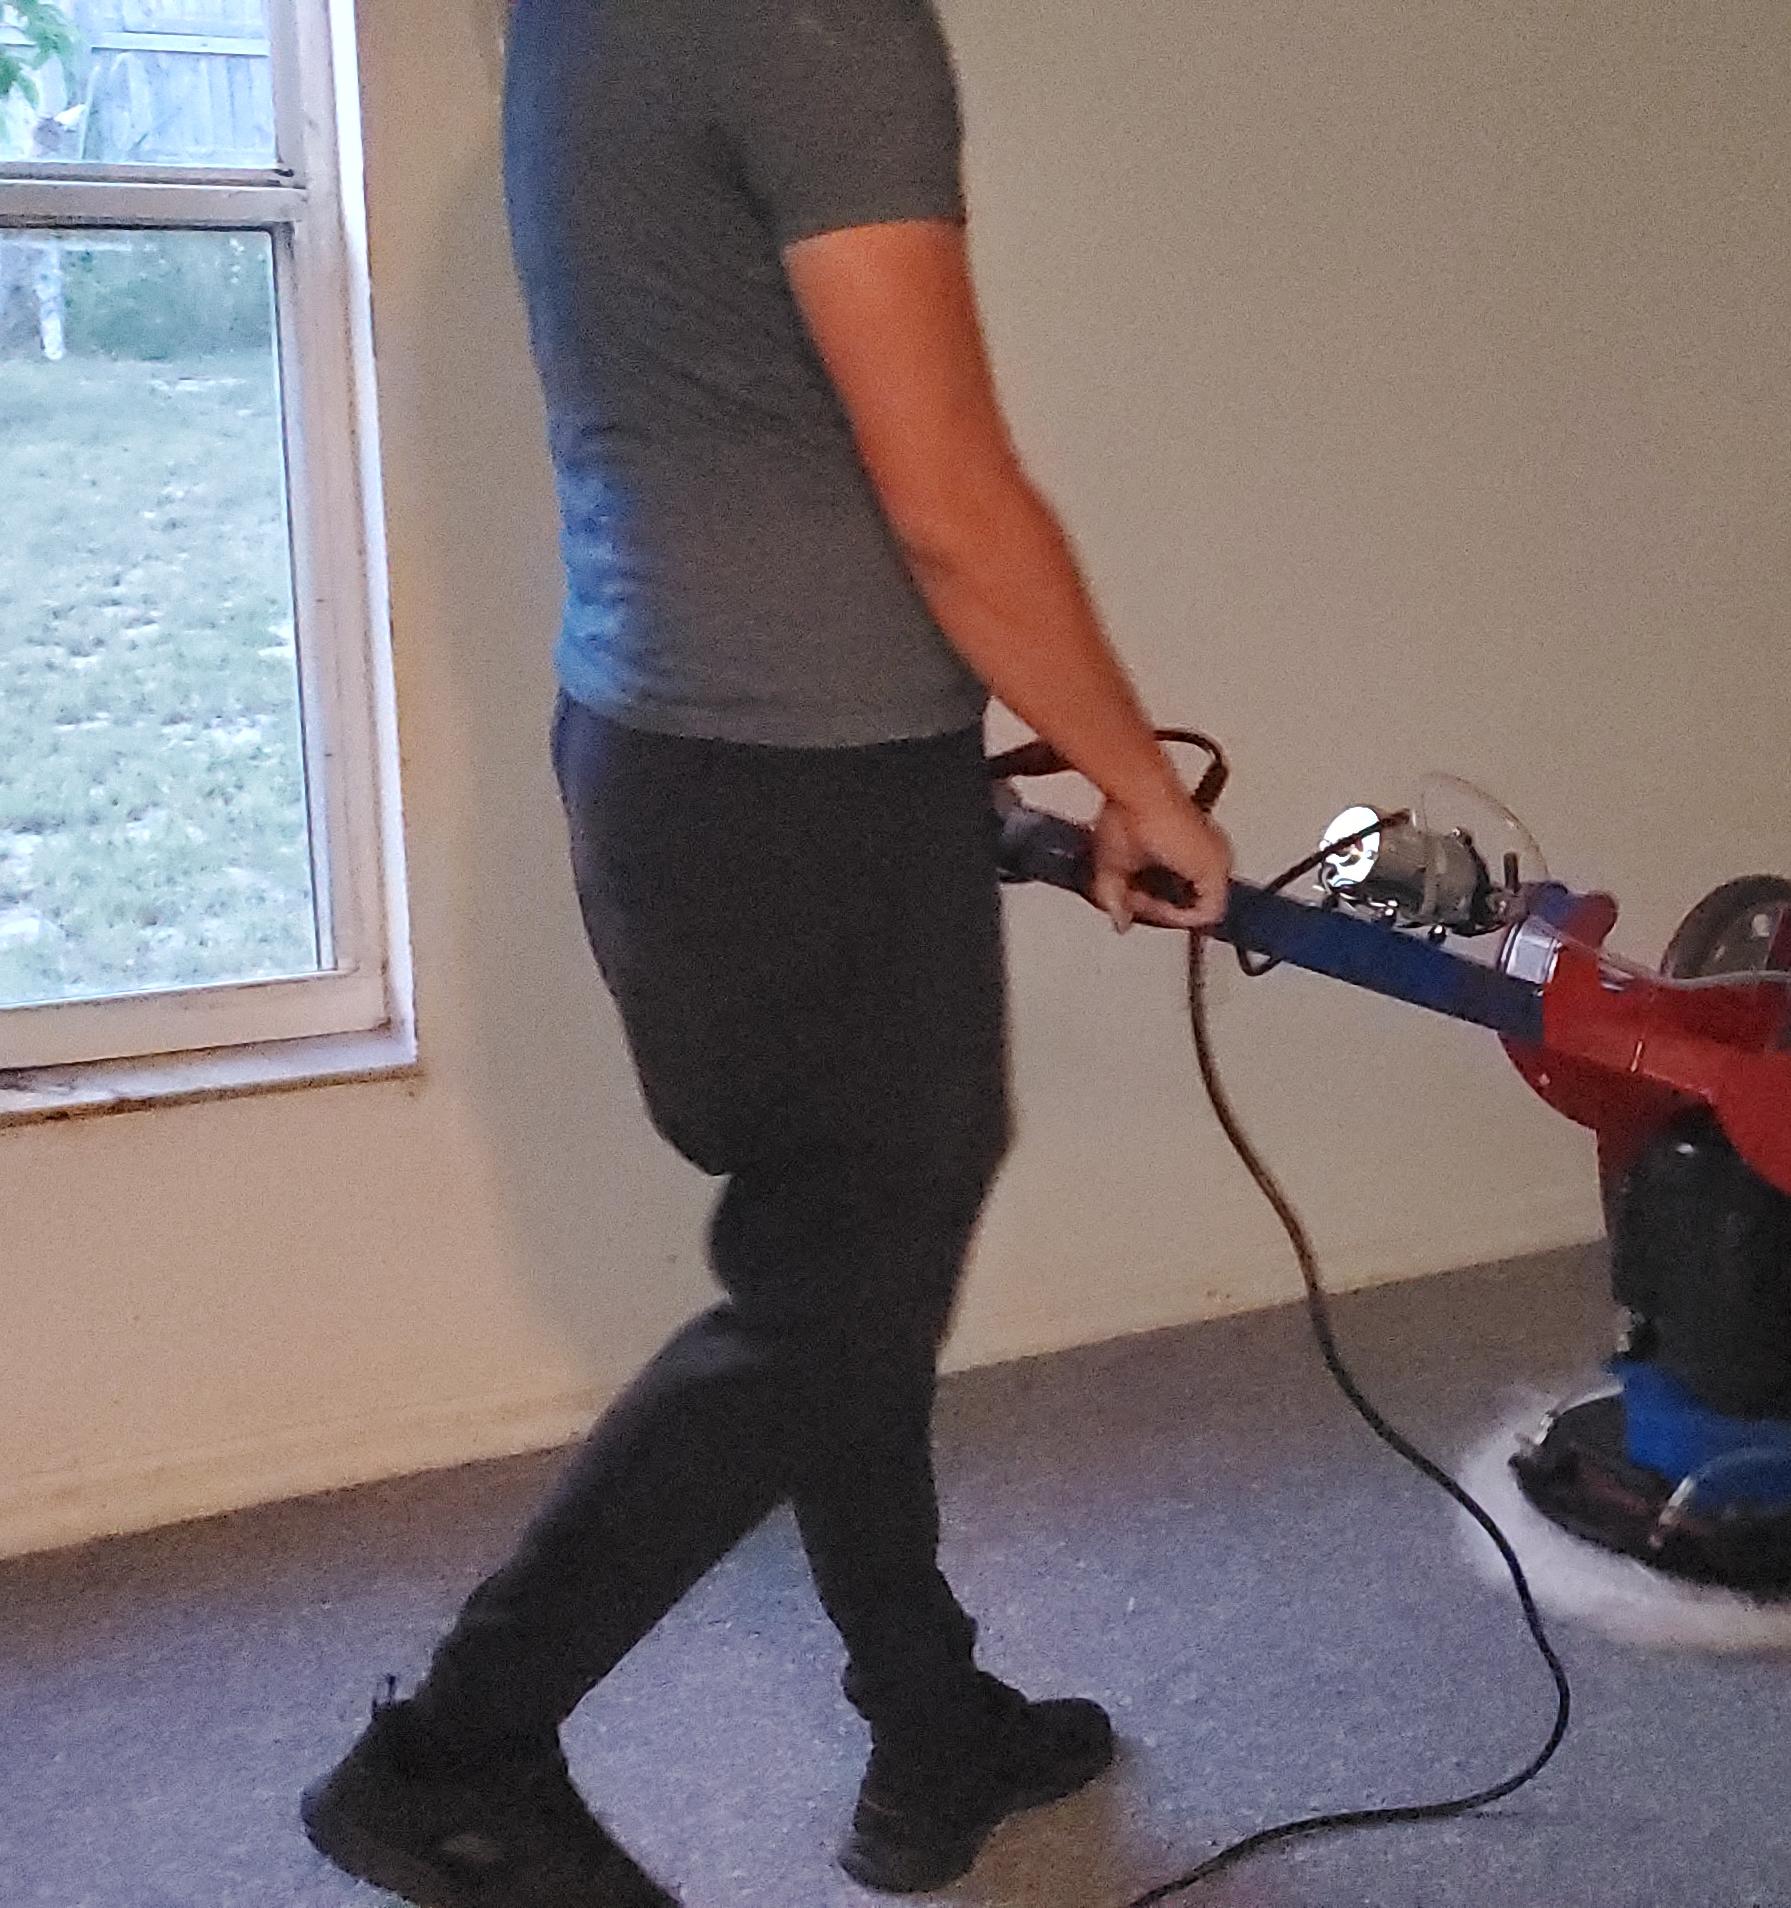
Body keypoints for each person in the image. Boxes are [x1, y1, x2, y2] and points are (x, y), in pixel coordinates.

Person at [299, 0, 1234, 1901]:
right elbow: (949, 504)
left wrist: (961, 810)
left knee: (841, 1279)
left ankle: (927, 1718)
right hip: (803, 790)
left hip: (675, 765)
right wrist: (1140, 783)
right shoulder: (823, 24)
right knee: (829, 1301)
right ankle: (451, 1759)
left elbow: (742, 418)